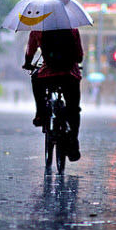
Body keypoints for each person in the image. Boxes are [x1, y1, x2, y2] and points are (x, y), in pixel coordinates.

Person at [23, 28, 83, 162]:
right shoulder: (73, 31)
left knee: (35, 79)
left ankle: (41, 113)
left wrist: (28, 63)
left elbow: (30, 52)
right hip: (70, 75)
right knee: (74, 108)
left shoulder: (37, 31)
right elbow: (79, 57)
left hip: (47, 75)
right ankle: (73, 142)